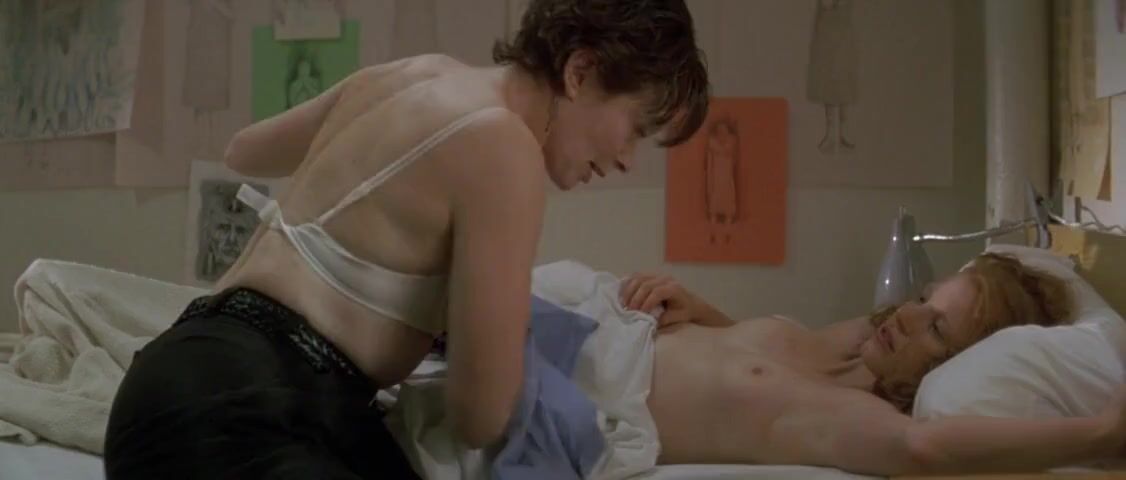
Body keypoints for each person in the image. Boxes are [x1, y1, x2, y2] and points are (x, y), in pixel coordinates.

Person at [102, 0, 710, 478]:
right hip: (238, 406)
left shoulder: (416, 74)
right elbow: (480, 416)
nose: (628, 159)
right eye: (636, 128)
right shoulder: (506, 146)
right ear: (580, 72)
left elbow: (245, 150)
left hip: (195, 371)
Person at [621, 252, 1126, 476]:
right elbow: (748, 361)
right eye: (924, 298)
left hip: (595, 399)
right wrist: (701, 313)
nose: (906, 315)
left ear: (951, 364)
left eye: (936, 329)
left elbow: (923, 447)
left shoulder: (854, 413)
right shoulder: (862, 340)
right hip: (611, 331)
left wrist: (1102, 434)